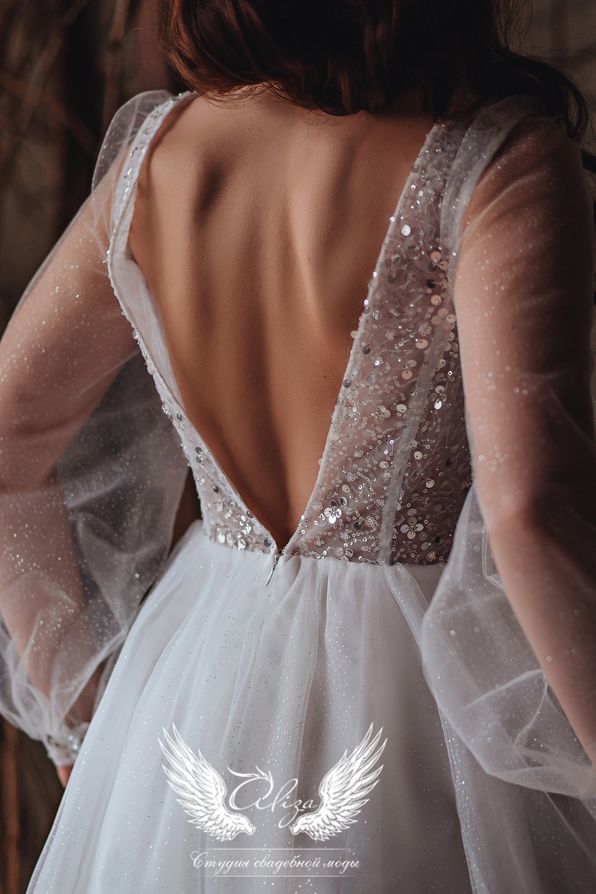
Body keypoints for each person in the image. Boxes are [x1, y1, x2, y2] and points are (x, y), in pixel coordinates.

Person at [1, 1, 596, 891]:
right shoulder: (496, 160)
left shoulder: (160, 161)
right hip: (423, 709)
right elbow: (528, 512)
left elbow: (8, 437)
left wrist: (80, 727)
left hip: (196, 686)